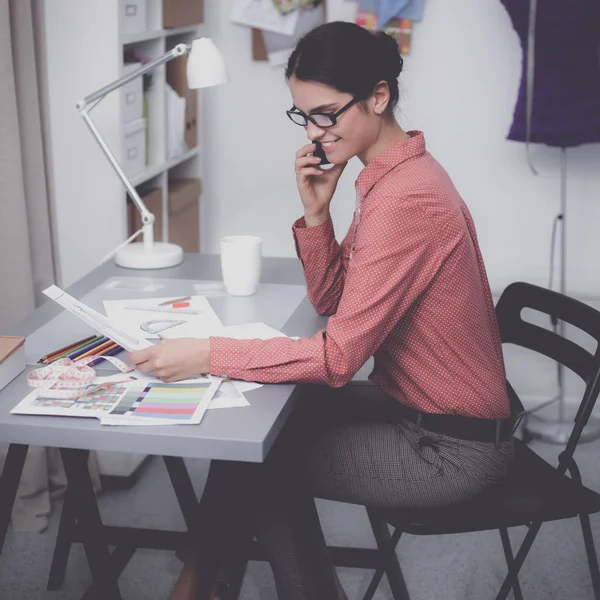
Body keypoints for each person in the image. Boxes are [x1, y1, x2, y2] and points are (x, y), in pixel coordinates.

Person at [129, 21, 516, 600]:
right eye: (302, 114)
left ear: (378, 97)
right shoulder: (391, 178)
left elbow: (338, 358)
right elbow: (336, 303)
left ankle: (200, 585)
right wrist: (316, 215)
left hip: (451, 448)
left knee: (263, 460)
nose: (314, 132)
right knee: (257, 430)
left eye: (326, 114)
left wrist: (207, 354)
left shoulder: (406, 199)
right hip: (418, 409)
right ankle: (201, 585)